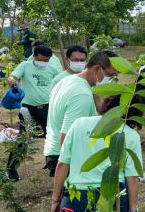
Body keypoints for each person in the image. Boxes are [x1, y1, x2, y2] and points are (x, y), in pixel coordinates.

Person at [45, 50, 119, 178]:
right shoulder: (81, 94)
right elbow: (66, 137)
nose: (111, 80)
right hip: (65, 157)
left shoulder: (68, 80)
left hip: (53, 150)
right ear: (97, 68)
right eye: (110, 75)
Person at [10, 45, 60, 138]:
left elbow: (62, 81)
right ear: (34, 56)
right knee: (24, 137)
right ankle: (18, 152)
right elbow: (13, 76)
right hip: (28, 109)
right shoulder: (25, 66)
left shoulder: (52, 69)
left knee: (52, 136)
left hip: (47, 108)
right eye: (40, 59)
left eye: (46, 60)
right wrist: (11, 79)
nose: (42, 62)